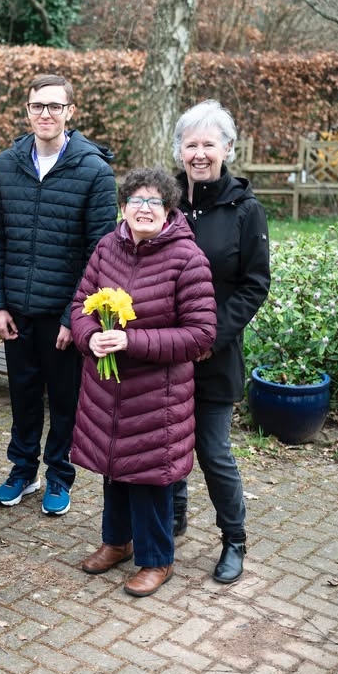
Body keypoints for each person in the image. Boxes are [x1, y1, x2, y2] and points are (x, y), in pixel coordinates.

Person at [71, 167, 217, 597]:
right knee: (114, 467)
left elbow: (200, 333)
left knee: (149, 475)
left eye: (155, 201)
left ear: (170, 209)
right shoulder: (106, 247)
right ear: (123, 207)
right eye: (137, 200)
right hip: (107, 387)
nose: (145, 209)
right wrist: (90, 336)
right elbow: (80, 304)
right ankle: (116, 541)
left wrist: (131, 341)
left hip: (158, 394)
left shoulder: (187, 259)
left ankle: (157, 559)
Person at [0, 74, 118, 515]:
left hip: (65, 315)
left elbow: (98, 254)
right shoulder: (6, 165)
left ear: (69, 113)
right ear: (27, 111)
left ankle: (59, 475)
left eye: (54, 106)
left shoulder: (95, 171)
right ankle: (22, 470)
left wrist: (72, 317)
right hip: (17, 311)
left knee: (64, 400)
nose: (45, 114)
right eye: (38, 106)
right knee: (22, 396)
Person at [171, 99, 271, 583]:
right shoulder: (166, 204)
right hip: (165, 354)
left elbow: (255, 284)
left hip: (214, 353)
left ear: (227, 149)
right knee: (167, 443)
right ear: (180, 151)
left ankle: (234, 539)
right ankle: (173, 515)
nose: (200, 153)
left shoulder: (245, 210)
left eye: (209, 144)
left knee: (212, 451)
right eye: (191, 144)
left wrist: (212, 335)